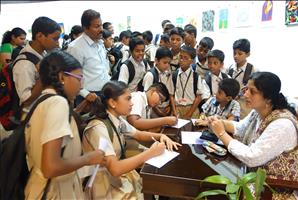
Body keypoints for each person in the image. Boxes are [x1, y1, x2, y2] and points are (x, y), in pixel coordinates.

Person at [24, 50, 106, 199]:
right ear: (62, 77)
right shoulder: (58, 103)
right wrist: (89, 158)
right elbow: (51, 167)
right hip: (54, 192)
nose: (81, 85)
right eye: (79, 78)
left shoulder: (43, 101)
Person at [209, 72, 298, 199]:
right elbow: (240, 128)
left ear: (268, 98)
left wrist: (221, 133)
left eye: (252, 91)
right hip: (252, 177)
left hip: (272, 189)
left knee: (219, 190)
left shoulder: (282, 125)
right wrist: (219, 122)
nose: (245, 94)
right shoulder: (258, 111)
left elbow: (252, 157)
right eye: (246, 89)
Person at [83, 80, 181, 199]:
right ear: (113, 102)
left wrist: (161, 136)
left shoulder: (116, 119)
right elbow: (115, 169)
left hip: (114, 176)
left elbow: (138, 134)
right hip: (103, 183)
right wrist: (151, 153)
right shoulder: (98, 128)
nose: (132, 103)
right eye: (128, 99)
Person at [13, 16, 61, 113]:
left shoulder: (42, 53)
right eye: (55, 39)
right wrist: (45, 76)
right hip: (34, 116)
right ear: (39, 36)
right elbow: (25, 100)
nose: (57, 44)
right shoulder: (24, 64)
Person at [66, 9, 110, 106]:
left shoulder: (100, 43)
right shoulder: (76, 47)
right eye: (97, 26)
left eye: (101, 25)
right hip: (88, 97)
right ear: (85, 28)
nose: (101, 29)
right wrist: (86, 94)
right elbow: (71, 76)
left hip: (105, 92)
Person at [170, 45, 210, 119]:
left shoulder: (196, 76)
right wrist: (174, 111)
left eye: (185, 58)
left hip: (192, 108)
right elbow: (171, 95)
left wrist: (189, 113)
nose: (181, 60)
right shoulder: (174, 75)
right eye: (180, 57)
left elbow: (198, 97)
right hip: (177, 108)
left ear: (191, 61)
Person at [226, 38, 257, 119]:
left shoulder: (253, 70)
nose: (236, 56)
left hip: (245, 106)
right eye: (234, 53)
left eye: (240, 54)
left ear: (248, 54)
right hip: (231, 105)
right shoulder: (230, 69)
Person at [143, 46, 173, 117]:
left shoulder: (167, 73)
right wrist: (159, 112)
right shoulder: (150, 75)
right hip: (154, 110)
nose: (167, 65)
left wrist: (169, 107)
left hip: (165, 108)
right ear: (156, 60)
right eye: (165, 62)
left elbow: (169, 92)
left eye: (169, 63)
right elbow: (147, 97)